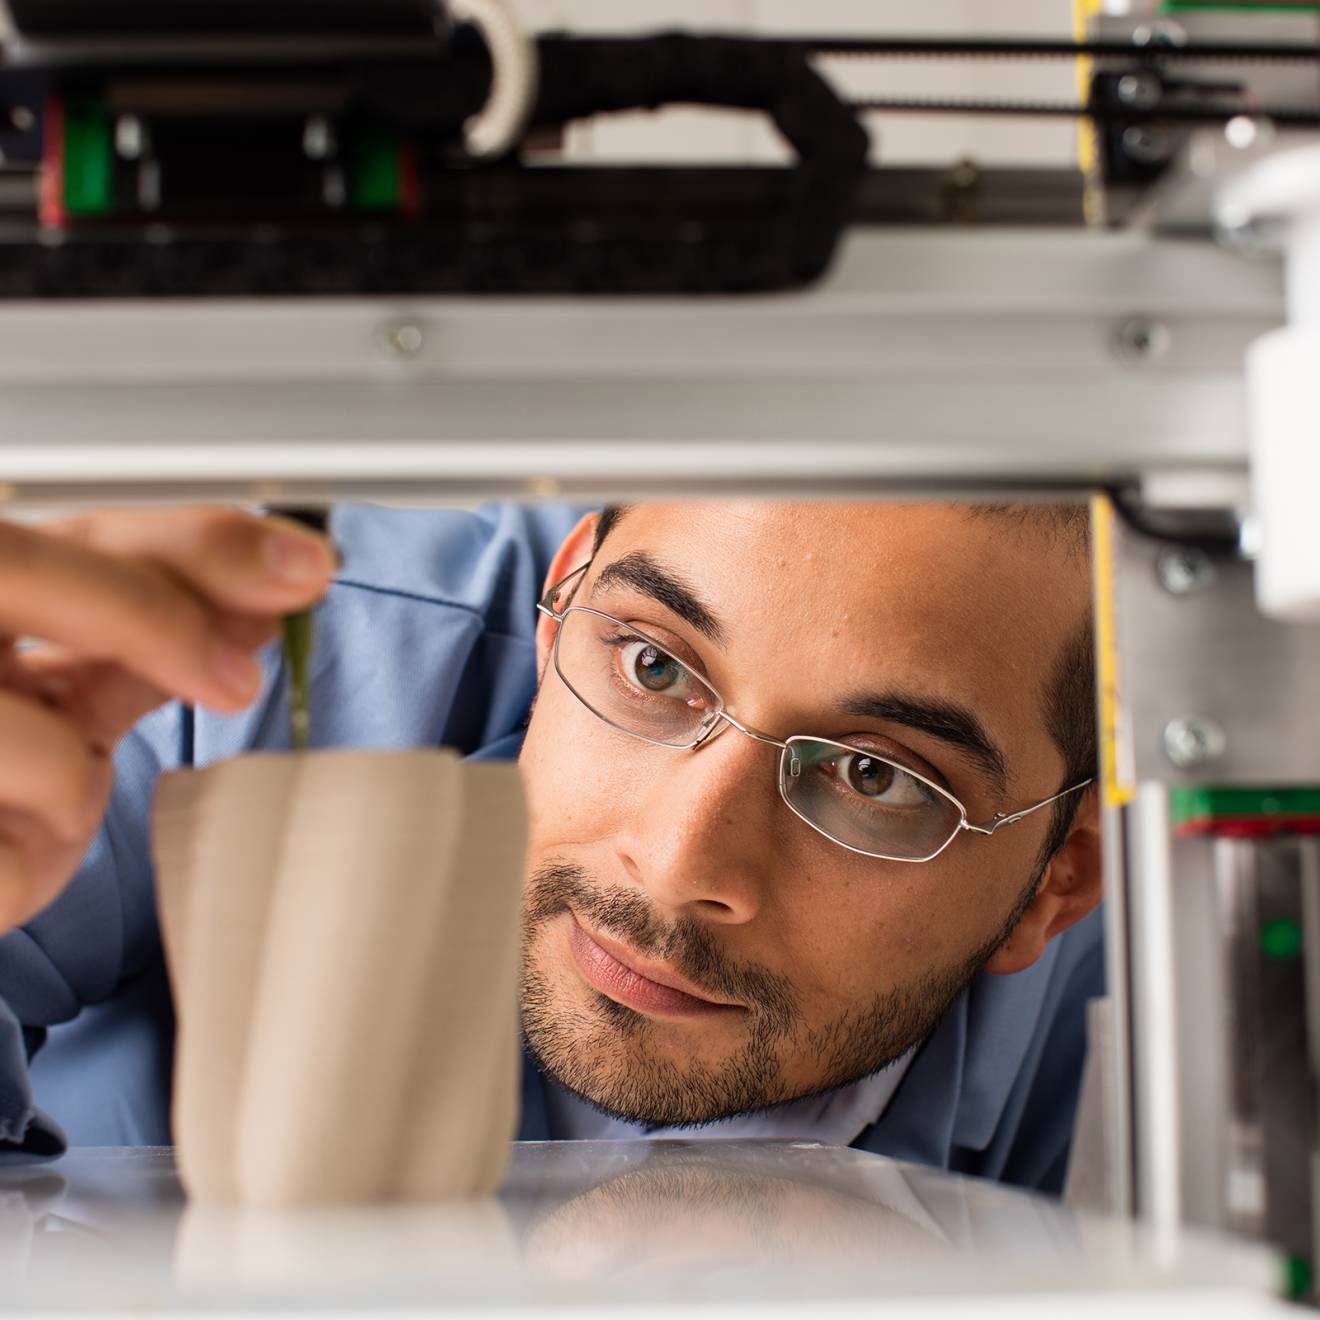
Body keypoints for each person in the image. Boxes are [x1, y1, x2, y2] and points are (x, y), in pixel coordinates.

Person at [0, 500, 1103, 1192]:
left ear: (1062, 883)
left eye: (877, 778)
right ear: (563, 596)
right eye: (657, 670)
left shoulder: (1171, 972)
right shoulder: (235, 663)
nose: (677, 864)